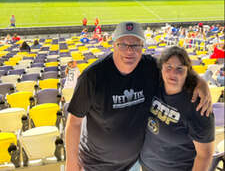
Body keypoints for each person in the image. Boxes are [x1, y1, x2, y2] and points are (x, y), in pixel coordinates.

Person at [65, 22, 212, 171]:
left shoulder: (149, 67)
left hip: (134, 164)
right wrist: (71, 162)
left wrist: (200, 82)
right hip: (95, 164)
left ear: (142, 47)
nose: (130, 51)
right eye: (123, 44)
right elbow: (74, 123)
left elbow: (175, 69)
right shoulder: (92, 77)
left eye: (136, 45)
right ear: (114, 45)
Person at [140, 46, 215, 171]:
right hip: (147, 164)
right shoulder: (155, 84)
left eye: (179, 69)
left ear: (187, 72)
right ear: (161, 68)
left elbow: (205, 155)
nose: (173, 73)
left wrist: (201, 83)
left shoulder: (198, 106)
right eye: (168, 67)